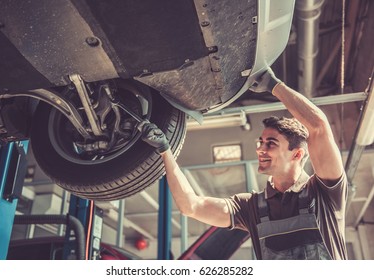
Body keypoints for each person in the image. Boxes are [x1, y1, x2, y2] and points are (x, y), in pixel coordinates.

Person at [138, 67, 348, 260]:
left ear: (297, 154)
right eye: (261, 142)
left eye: (271, 143)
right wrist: (166, 150)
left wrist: (273, 85)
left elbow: (319, 127)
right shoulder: (251, 208)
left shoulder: (325, 192)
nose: (260, 149)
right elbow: (191, 206)